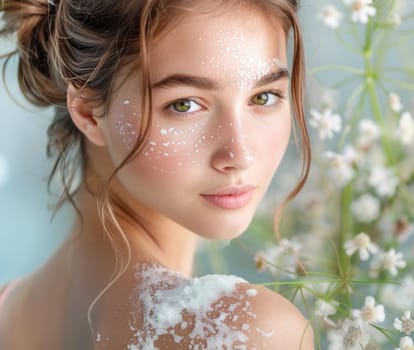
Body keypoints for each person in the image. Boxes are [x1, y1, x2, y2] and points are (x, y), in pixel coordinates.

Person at [0, 0, 313, 348]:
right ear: (88, 112)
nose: (239, 155)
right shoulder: (242, 331)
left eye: (265, 97)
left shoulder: (9, 311)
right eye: (185, 105)